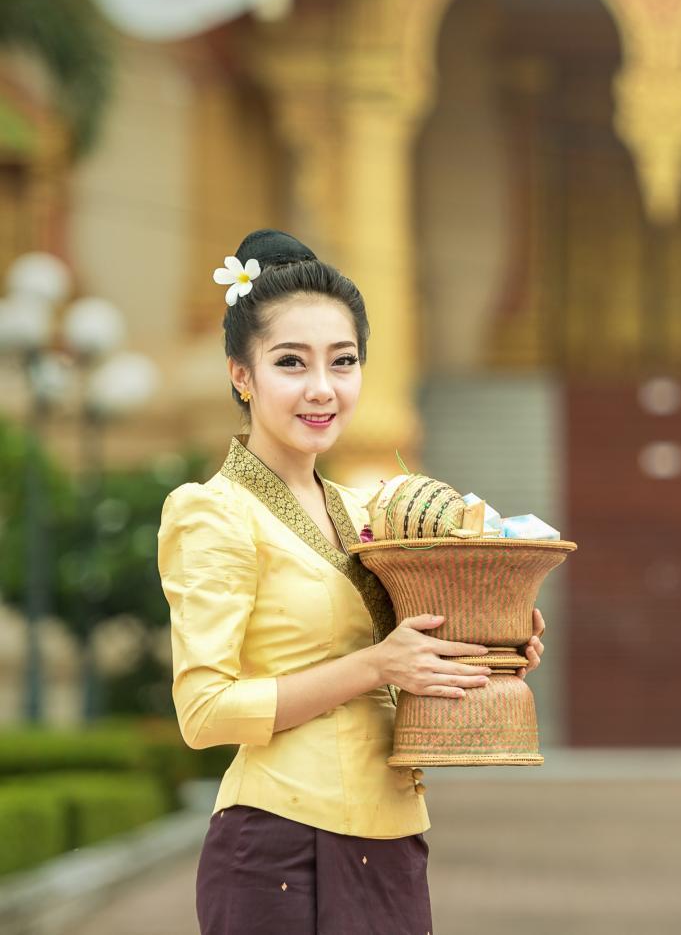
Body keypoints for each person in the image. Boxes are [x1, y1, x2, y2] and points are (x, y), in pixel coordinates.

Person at [157, 228, 545, 935]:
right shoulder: (212, 513)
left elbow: (417, 644)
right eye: (290, 363)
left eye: (343, 361)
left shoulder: (367, 508)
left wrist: (494, 638)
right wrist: (377, 663)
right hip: (277, 840)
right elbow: (204, 710)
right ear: (241, 374)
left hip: (391, 835)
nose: (322, 388)